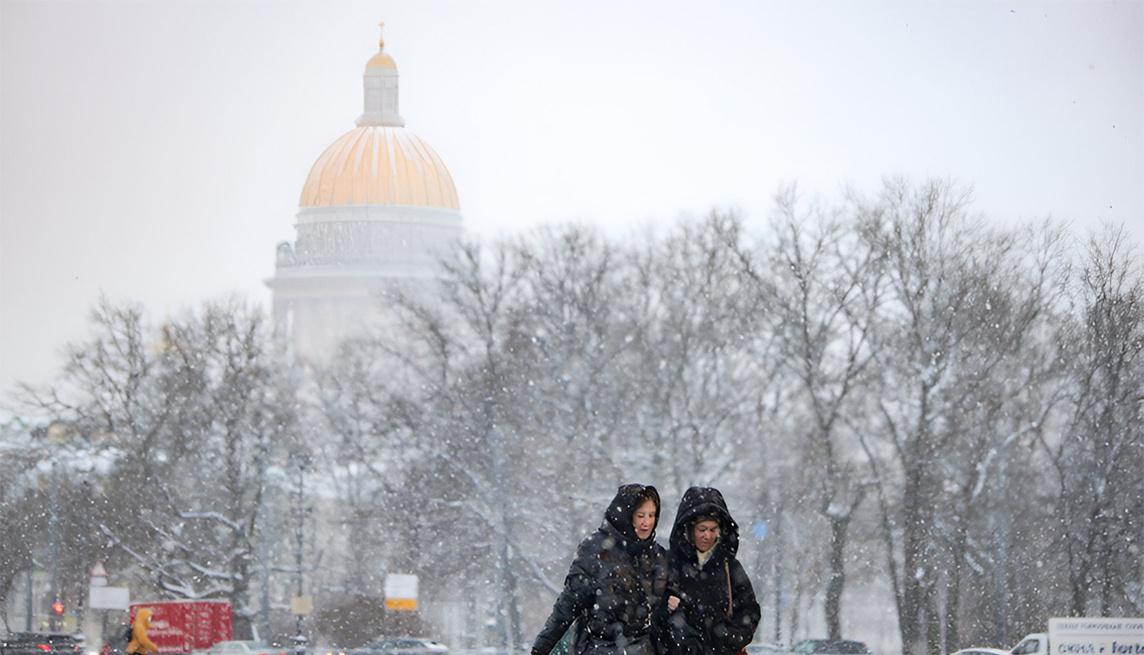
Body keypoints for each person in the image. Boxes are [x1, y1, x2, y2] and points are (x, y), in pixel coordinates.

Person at [531, 483, 668, 655]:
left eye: (651, 515)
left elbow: (667, 615)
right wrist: (540, 648)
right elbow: (567, 606)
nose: (646, 523)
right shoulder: (595, 551)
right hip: (598, 647)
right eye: (640, 515)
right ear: (626, 515)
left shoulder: (657, 557)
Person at [655, 487, 760, 655]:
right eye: (702, 529)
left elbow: (749, 610)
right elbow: (652, 608)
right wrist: (667, 611)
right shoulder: (670, 563)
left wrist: (730, 637)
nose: (707, 536)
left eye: (713, 530)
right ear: (689, 529)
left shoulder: (730, 567)